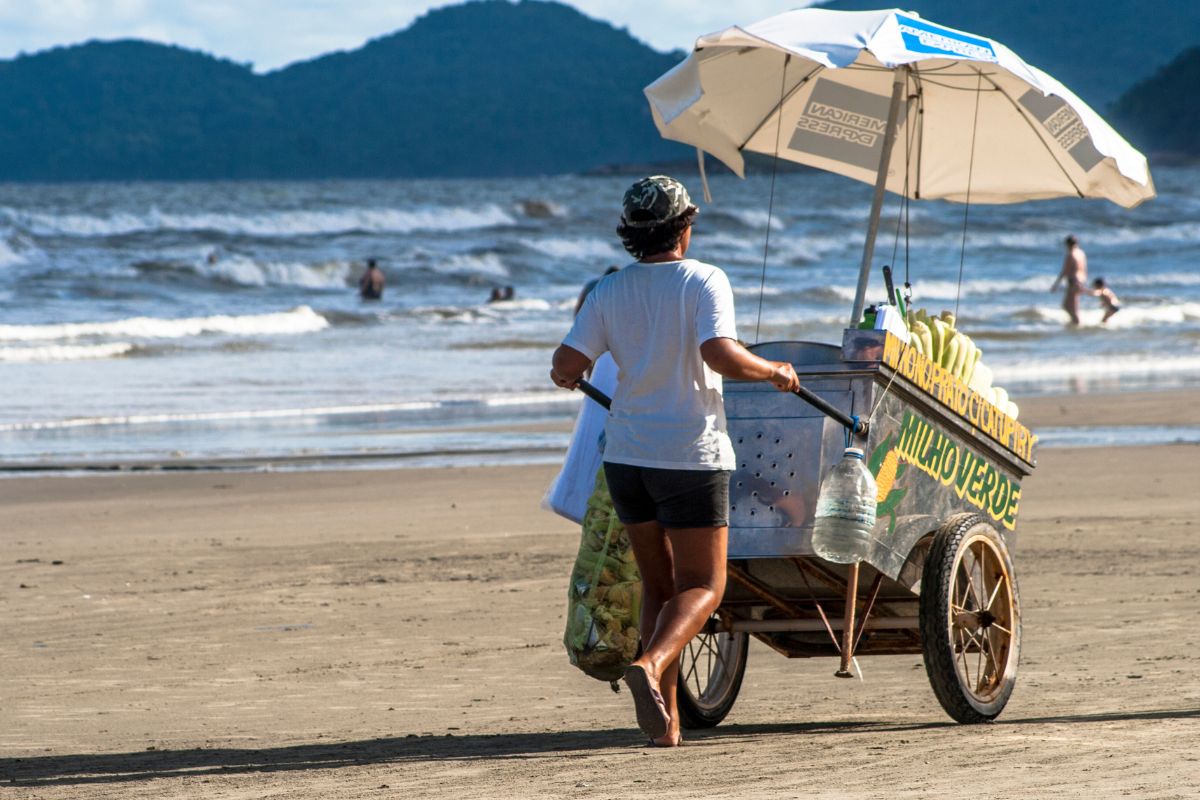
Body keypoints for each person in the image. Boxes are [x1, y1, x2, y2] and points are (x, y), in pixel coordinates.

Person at [549, 175, 799, 747]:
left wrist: (567, 375)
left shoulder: (608, 292)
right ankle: (650, 663)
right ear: (684, 228)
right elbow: (719, 353)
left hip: (628, 458)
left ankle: (668, 725)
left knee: (657, 586)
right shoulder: (704, 278)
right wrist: (774, 371)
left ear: (631, 235)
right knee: (704, 586)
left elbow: (565, 363)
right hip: (688, 453)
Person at [1051, 235, 1088, 325]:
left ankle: (1076, 323)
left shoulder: (1070, 254)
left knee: (1068, 306)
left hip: (1073, 281)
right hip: (1081, 280)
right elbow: (1084, 269)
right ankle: (1075, 322)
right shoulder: (1081, 253)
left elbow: (1065, 271)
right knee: (1071, 306)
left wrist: (1056, 284)